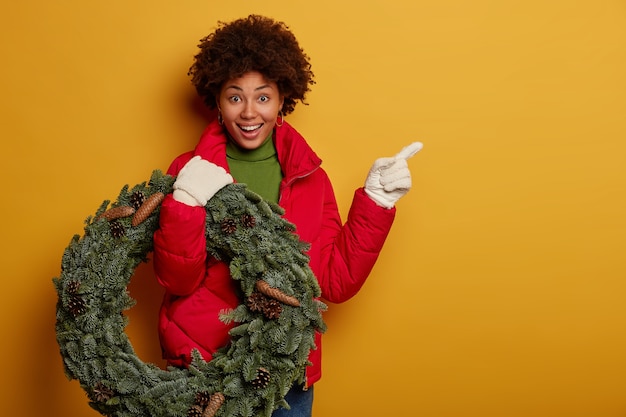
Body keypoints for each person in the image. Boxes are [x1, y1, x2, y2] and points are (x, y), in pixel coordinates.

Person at [152, 14, 422, 417]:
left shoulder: (310, 177)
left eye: (262, 97)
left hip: (286, 376)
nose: (248, 112)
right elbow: (178, 279)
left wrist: (376, 202)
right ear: (217, 99)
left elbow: (333, 281)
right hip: (204, 371)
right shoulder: (187, 170)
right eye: (234, 96)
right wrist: (185, 203)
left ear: (283, 100)